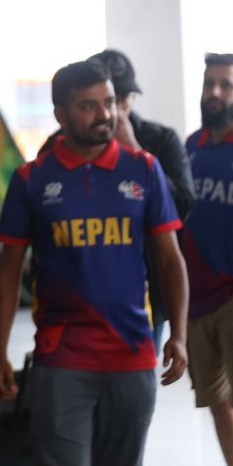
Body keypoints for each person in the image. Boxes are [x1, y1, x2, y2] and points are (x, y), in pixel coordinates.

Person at [0, 58, 188, 466]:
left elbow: (170, 260)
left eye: (108, 102)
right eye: (88, 105)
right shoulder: (33, 180)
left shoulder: (143, 170)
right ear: (60, 113)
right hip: (63, 364)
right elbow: (8, 272)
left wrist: (181, 337)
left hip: (132, 362)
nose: (103, 114)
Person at [41, 48, 194, 353]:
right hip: (71, 303)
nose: (110, 115)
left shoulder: (161, 141)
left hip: (145, 297)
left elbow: (182, 208)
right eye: (94, 105)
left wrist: (134, 151)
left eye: (119, 102)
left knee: (135, 387)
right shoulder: (56, 146)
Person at [181, 52, 233, 466]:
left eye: (226, 85)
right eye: (210, 84)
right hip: (196, 302)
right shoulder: (192, 148)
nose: (215, 93)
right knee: (218, 404)